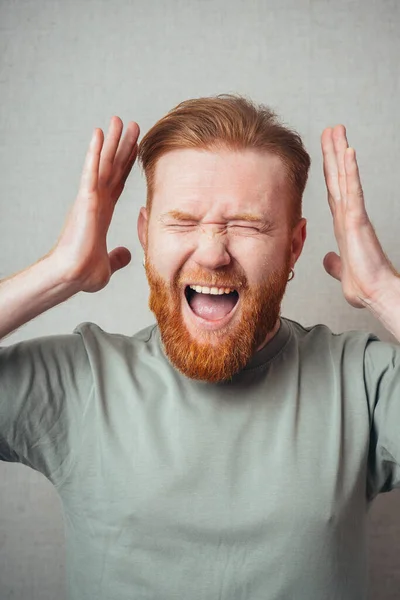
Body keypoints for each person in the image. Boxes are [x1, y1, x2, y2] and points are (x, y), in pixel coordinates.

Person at [1, 95, 399, 600]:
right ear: (146, 235)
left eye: (249, 225)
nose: (213, 252)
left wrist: (383, 290)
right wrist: (58, 273)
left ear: (293, 246)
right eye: (184, 222)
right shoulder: (82, 380)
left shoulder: (362, 383)